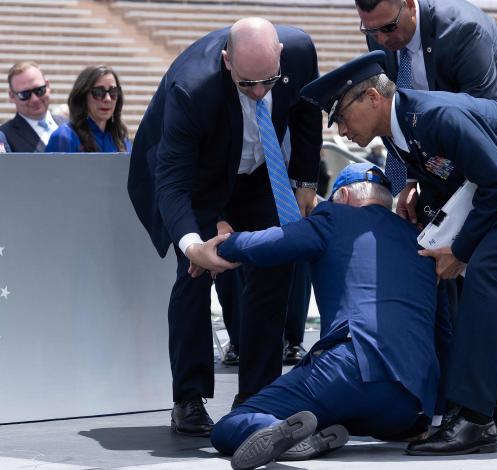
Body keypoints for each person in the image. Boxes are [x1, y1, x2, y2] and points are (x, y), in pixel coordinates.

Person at [300, 51, 497, 455]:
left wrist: (459, 249)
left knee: (488, 269)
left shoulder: (434, 117)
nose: (341, 131)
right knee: (481, 273)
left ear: (372, 98)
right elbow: (451, 177)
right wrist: (425, 211)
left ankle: (475, 421)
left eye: (341, 116)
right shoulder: (400, 129)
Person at [127, 18, 322, 437]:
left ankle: (258, 395)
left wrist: (306, 180)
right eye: (247, 82)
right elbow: (174, 180)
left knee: (275, 261)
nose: (258, 92)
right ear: (226, 60)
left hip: (256, 173)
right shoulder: (191, 89)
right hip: (193, 177)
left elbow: (306, 110)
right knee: (195, 273)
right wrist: (193, 243)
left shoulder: (301, 52)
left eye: (268, 81)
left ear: (281, 59)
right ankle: (189, 398)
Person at [208, 162, 441, 469]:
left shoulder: (333, 216)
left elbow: (272, 243)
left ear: (343, 194)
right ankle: (315, 432)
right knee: (347, 412)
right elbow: (443, 330)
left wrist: (223, 246)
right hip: (408, 403)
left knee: (229, 426)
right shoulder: (420, 241)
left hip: (349, 366)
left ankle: (275, 430)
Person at [355, 0, 497, 345]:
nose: (380, 38)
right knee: (445, 222)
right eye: (370, 30)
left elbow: (482, 119)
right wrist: (410, 179)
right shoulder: (382, 32)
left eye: (388, 28)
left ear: (409, 5)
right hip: (448, 134)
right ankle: (468, 338)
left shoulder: (462, 28)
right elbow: (402, 111)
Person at [46, 65, 131, 152]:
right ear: (83, 96)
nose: (107, 99)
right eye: (98, 92)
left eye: (113, 92)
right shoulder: (64, 137)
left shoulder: (122, 139)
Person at [1, 62, 66, 152]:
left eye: (39, 90)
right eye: (25, 94)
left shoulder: (71, 126)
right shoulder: (5, 136)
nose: (34, 99)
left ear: (47, 85)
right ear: (12, 96)